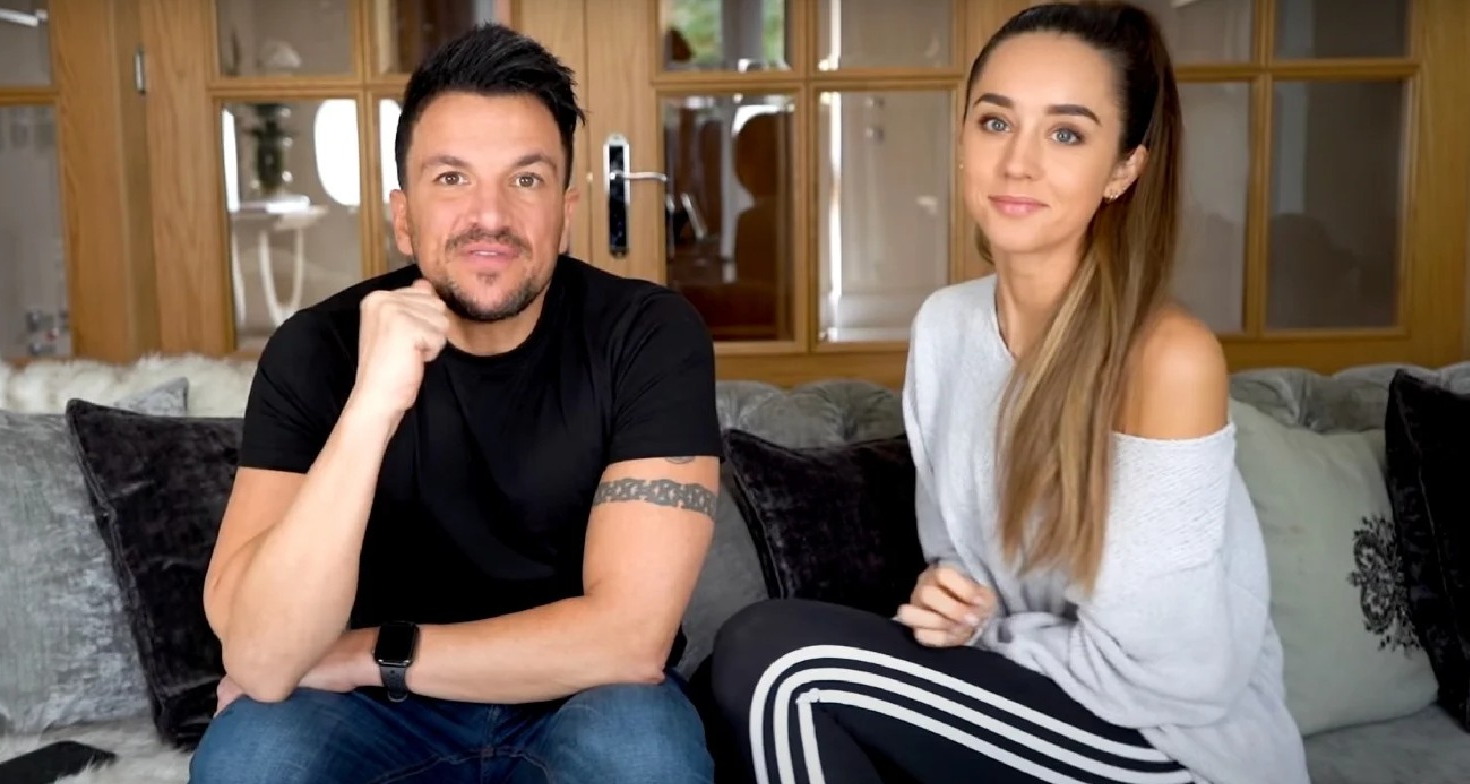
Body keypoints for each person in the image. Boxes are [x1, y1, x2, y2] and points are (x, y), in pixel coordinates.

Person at [707, 3, 1310, 783]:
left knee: (779, 664)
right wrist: (951, 602)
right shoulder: (946, 329)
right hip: (1041, 705)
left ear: (1124, 169)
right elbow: (963, 570)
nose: (1018, 162)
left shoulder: (1166, 358)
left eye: (1067, 134)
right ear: (963, 140)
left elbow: (1173, 678)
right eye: (996, 123)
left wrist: (989, 635)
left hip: (1174, 748)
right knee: (739, 678)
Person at [190, 22, 721, 784]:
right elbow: (264, 656)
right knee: (249, 762)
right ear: (403, 217)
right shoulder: (316, 348)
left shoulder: (649, 335)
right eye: (451, 179)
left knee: (645, 759)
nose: (490, 216)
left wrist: (365, 656)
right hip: (371, 718)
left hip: (580, 692)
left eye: (526, 180)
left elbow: (630, 640)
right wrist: (372, 405)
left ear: (566, 212)